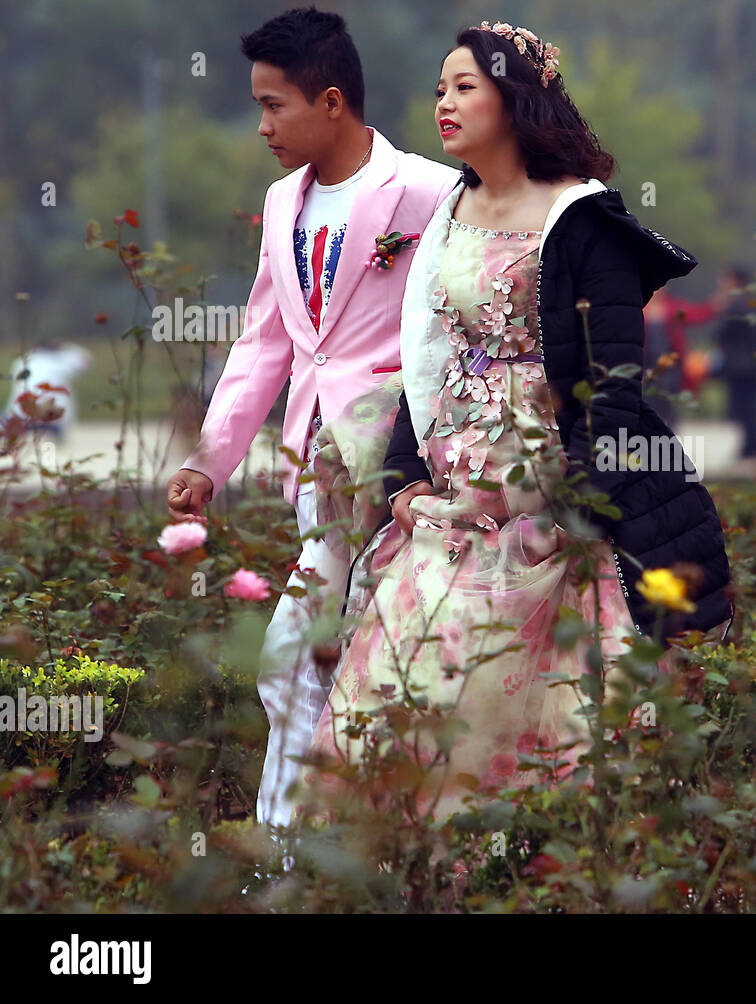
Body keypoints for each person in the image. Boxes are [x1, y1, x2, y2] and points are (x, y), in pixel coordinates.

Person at [291, 21, 735, 825]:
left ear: (516, 99)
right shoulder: (452, 210)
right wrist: (404, 475)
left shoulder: (581, 219)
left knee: (531, 704)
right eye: (438, 90)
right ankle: (391, 864)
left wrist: (573, 503)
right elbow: (425, 356)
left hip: (548, 498)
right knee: (405, 682)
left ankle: (521, 861)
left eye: (465, 87)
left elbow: (615, 384)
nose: (445, 104)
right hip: (448, 498)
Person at [163, 6, 461, 830]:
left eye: (274, 105)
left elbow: (456, 333)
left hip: (403, 475)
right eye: (258, 106)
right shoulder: (282, 201)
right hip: (315, 476)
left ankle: (292, 851)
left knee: (307, 662)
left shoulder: (431, 192)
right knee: (328, 666)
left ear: (332, 101)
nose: (262, 126)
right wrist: (209, 463)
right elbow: (264, 344)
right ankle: (329, 852)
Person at [713, 266, 756, 463]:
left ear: (734, 281)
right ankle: (752, 447)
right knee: (751, 407)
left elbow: (720, 333)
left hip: (740, 365)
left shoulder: (735, 304)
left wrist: (721, 306)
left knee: (745, 409)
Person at [642, 286, 720, 428]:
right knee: (648, 401)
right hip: (647, 366)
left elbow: (697, 314)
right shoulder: (642, 309)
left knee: (669, 402)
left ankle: (669, 434)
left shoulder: (672, 307)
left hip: (670, 366)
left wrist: (716, 303)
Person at [5, 341, 92, 442]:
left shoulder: (20, 362)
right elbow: (86, 359)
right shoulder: (61, 362)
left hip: (20, 418)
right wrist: (64, 346)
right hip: (53, 421)